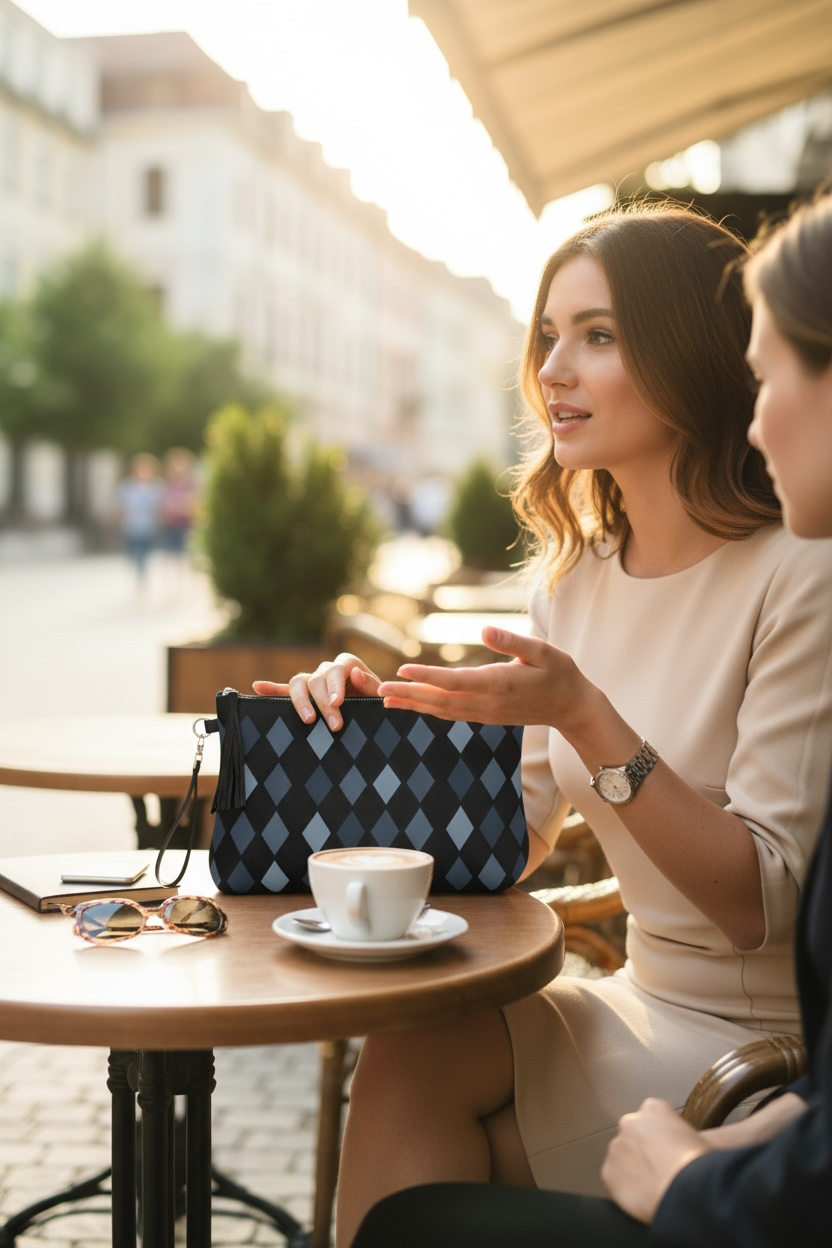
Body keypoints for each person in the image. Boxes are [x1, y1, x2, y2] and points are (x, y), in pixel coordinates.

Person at [254, 202, 832, 1247]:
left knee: (430, 1156)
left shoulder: (801, 574)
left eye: (598, 336)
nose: (552, 371)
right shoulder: (572, 581)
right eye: (549, 337)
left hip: (761, 1048)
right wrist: (363, 732)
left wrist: (586, 716)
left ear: (693, 356)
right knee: (409, 1051)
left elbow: (759, 905)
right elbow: (506, 839)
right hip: (635, 996)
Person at [116, 451, 163, 586]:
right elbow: (121, 505)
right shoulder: (127, 486)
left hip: (148, 526)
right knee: (133, 552)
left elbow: (159, 505)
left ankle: (142, 573)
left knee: (145, 552)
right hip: (132, 526)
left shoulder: (156, 486)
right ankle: (137, 570)